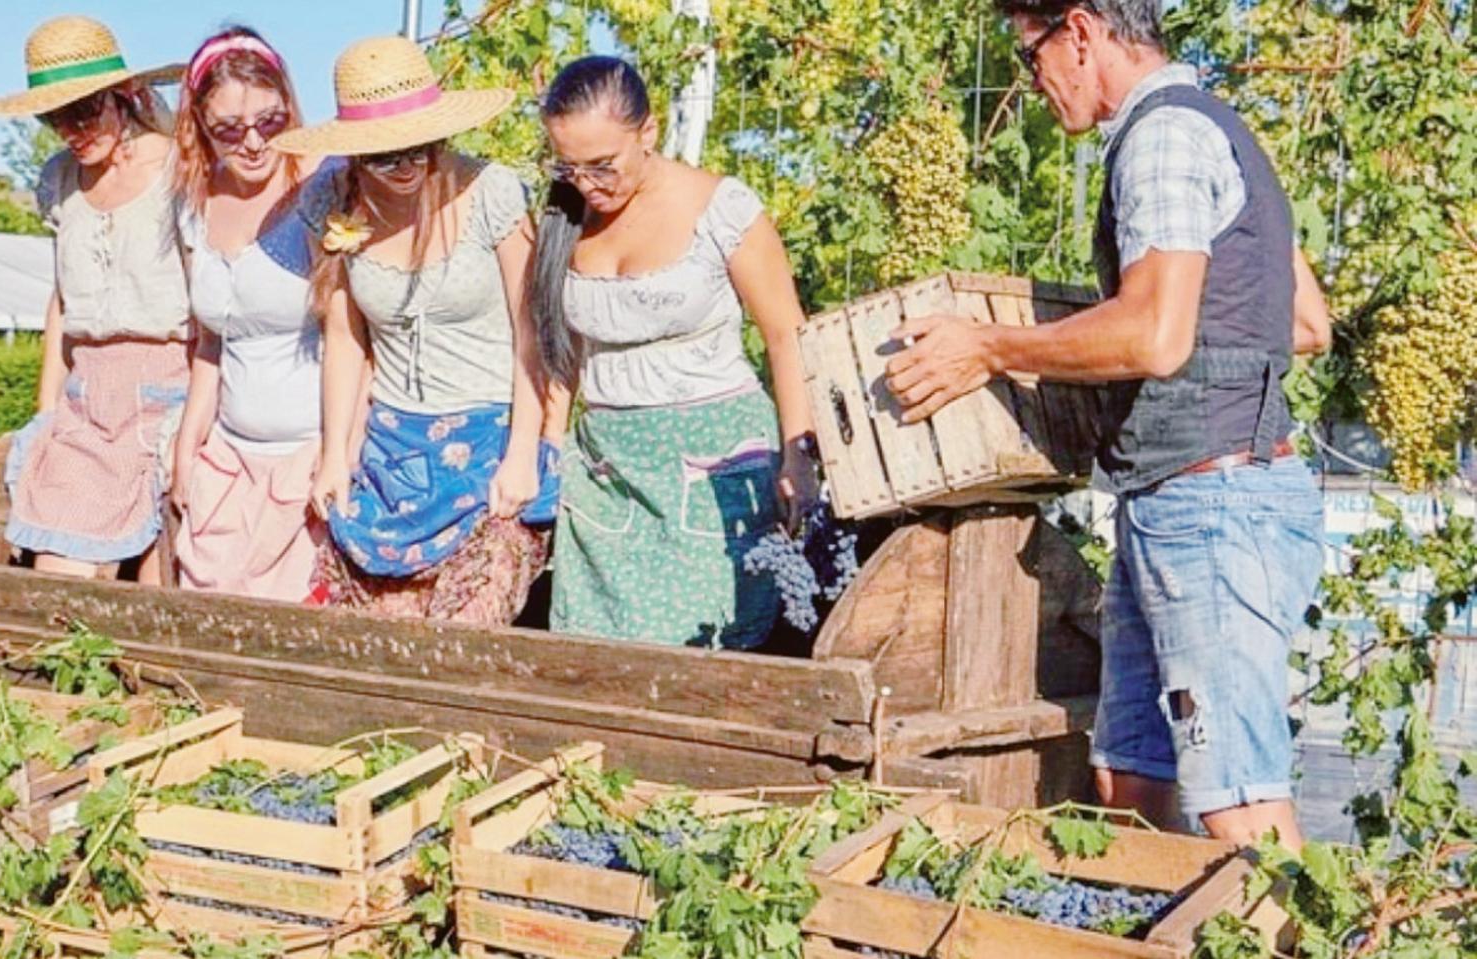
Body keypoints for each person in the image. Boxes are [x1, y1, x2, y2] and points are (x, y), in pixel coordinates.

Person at [886, 0, 1332, 846]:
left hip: (1212, 507)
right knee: (1129, 775)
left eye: (1030, 55)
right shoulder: (1221, 128)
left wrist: (989, 347)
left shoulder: (1161, 138)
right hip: (1192, 498)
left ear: (1080, 31)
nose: (1035, 81)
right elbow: (1304, 323)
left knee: (1238, 803)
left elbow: (1155, 336)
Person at [271, 36, 561, 623]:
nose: (406, 166)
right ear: (354, 153)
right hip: (391, 448)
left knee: (468, 628)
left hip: (491, 442)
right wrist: (334, 456)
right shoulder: (331, 199)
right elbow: (346, 337)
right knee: (376, 644)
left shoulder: (491, 193)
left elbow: (534, 332)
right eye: (384, 155)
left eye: (422, 148)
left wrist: (526, 450)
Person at [532, 57, 818, 649]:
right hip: (610, 473)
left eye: (602, 166)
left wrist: (800, 453)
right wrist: (551, 450)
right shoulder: (563, 216)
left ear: (649, 132)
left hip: (715, 464)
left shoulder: (722, 210)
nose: (587, 185)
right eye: (568, 166)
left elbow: (787, 334)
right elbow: (560, 351)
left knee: (712, 648)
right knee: (596, 654)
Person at [0, 16, 190, 583]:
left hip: (169, 394)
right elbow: (63, 302)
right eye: (54, 116)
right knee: (58, 580)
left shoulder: (181, 171)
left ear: (127, 95)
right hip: (86, 404)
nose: (71, 128)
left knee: (160, 582)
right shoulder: (61, 181)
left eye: (85, 110)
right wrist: (47, 412)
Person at [169, 27, 328, 602]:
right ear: (201, 131)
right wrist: (188, 449)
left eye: (270, 122)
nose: (255, 143)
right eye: (230, 132)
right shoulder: (193, 203)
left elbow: (357, 339)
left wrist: (334, 454)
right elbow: (213, 342)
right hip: (230, 457)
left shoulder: (322, 188)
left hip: (306, 456)